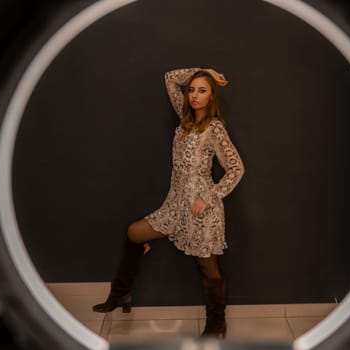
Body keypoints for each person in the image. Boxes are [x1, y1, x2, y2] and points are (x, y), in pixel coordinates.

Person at [92, 67, 245, 339]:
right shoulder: (185, 120)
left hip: (201, 210)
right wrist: (205, 70)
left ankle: (216, 325)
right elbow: (169, 78)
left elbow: (236, 168)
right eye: (192, 89)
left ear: (211, 97)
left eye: (202, 90)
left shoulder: (215, 128)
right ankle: (121, 293)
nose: (195, 95)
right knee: (134, 233)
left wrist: (208, 198)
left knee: (207, 266)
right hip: (174, 207)